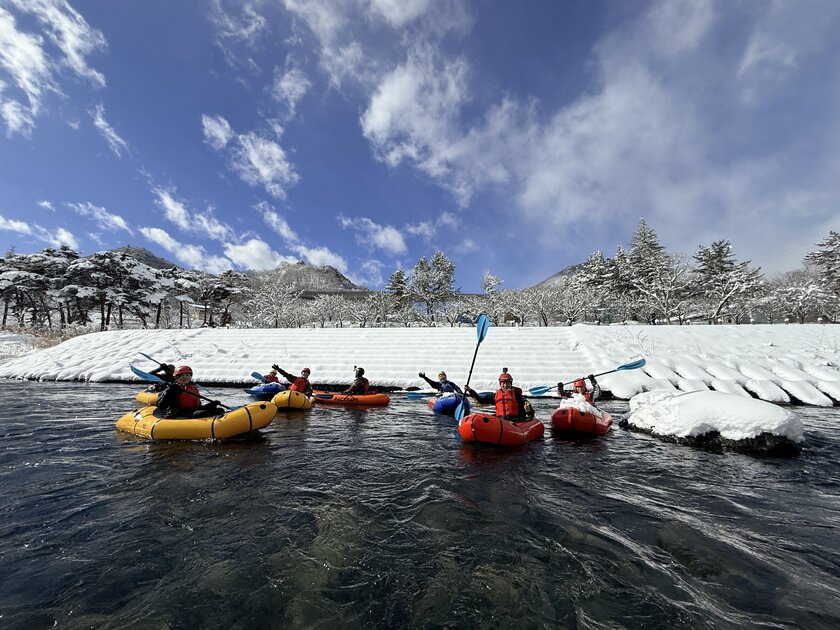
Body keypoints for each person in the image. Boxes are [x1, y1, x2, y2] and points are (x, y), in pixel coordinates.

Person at [464, 368, 533, 421]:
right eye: (503, 383)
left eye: (507, 383)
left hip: (515, 420)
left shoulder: (516, 394)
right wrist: (470, 390)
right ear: (500, 384)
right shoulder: (496, 395)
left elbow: (527, 406)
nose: (505, 385)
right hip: (501, 421)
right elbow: (480, 400)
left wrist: (528, 411)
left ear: (510, 383)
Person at [156, 365, 225, 418]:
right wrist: (171, 392)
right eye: (182, 376)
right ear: (176, 377)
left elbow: (196, 406)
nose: (185, 377)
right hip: (180, 412)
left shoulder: (193, 388)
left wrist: (210, 405)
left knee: (220, 410)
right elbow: (161, 406)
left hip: (192, 410)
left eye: (187, 375)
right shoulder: (172, 388)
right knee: (203, 413)